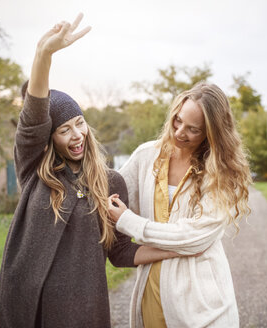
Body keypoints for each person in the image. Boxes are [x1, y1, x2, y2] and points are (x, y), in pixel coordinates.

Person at [0, 14, 184, 328]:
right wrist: (45, 54)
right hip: (31, 307)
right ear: (48, 137)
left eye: (79, 124)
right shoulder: (34, 174)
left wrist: (178, 249)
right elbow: (33, 117)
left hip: (84, 310)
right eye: (64, 130)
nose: (76, 135)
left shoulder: (111, 182)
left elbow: (121, 252)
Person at [108, 82, 252, 328]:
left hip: (203, 303)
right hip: (152, 293)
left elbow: (195, 237)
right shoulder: (146, 156)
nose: (179, 132)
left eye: (193, 129)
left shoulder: (220, 173)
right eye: (178, 120)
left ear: (211, 133)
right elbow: (110, 195)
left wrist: (128, 221)